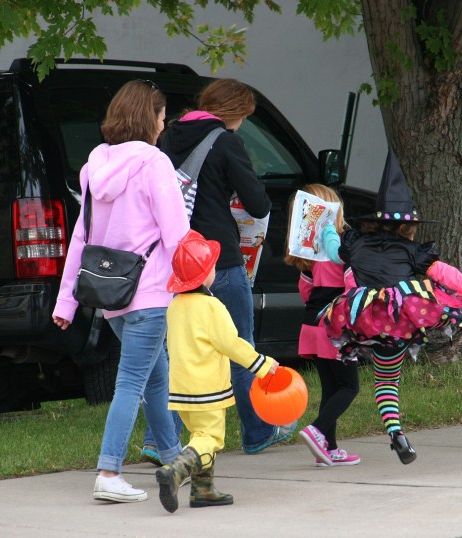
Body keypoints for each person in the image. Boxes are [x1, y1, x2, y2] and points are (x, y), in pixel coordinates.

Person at [319, 149, 462, 465]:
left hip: (365, 319)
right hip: (400, 316)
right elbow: (442, 273)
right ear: (408, 227)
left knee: (385, 380)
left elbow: (332, 250)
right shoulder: (413, 250)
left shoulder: (355, 243)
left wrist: (328, 226)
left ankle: (396, 432)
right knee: (461, 308)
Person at [52, 79, 189, 502]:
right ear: (150, 118)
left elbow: (82, 237)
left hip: (111, 296)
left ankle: (174, 460)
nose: (163, 125)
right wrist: (195, 282)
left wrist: (66, 302)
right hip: (150, 292)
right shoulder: (155, 163)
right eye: (162, 117)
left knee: (155, 379)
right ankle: (109, 472)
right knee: (131, 382)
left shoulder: (95, 164)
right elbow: (176, 232)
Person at [158, 78, 296, 455]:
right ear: (234, 113)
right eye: (243, 117)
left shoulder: (168, 137)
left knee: (174, 351)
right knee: (239, 344)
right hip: (217, 258)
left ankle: (161, 441)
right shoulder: (226, 141)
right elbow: (258, 204)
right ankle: (257, 431)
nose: (241, 125)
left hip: (176, 261)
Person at [155, 230, 279, 513]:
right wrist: (261, 365)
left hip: (181, 390)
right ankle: (176, 470)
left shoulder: (175, 306)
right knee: (210, 438)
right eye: (211, 266)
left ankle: (204, 490)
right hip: (207, 388)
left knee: (199, 435)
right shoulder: (212, 306)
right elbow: (231, 343)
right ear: (205, 275)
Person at [284, 184, 361, 467]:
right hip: (335, 328)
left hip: (311, 325)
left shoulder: (311, 253)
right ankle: (317, 430)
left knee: (331, 387)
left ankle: (329, 448)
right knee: (349, 386)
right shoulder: (342, 249)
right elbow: (353, 288)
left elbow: (305, 291)